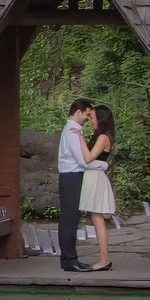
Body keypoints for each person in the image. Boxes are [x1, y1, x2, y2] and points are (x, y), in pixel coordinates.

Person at [57, 98, 96, 271]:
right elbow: (82, 160)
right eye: (87, 114)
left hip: (73, 176)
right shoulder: (72, 130)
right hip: (71, 176)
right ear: (78, 112)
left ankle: (69, 259)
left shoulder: (74, 130)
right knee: (69, 218)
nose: (88, 118)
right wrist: (102, 165)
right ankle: (69, 259)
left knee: (71, 217)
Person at [82, 104, 119, 271]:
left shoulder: (104, 137)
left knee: (97, 218)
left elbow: (89, 157)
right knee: (95, 218)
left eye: (93, 117)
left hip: (95, 178)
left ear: (101, 119)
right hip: (93, 177)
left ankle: (105, 259)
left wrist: (79, 137)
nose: (90, 121)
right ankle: (104, 258)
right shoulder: (101, 135)